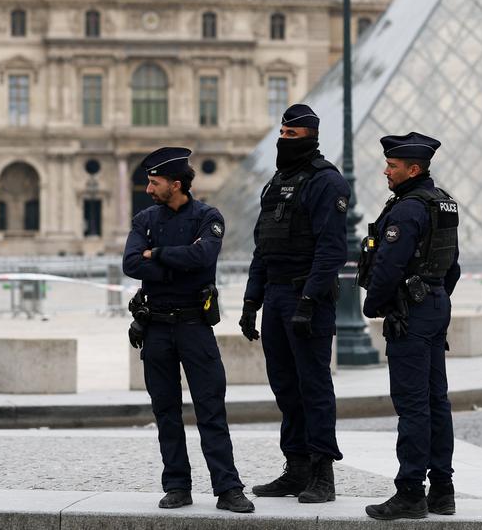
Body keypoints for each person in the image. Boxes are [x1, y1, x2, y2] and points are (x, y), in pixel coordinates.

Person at [123, 147, 254, 513]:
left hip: (195, 325)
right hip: (156, 326)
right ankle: (177, 486)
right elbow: (131, 263)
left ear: (176, 184)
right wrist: (178, 262)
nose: (148, 189)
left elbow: (203, 258)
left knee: (211, 410)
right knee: (165, 412)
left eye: (155, 182)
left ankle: (228, 488)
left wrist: (156, 254)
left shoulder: (208, 216)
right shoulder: (145, 219)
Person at [239, 104, 349, 503]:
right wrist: (251, 300)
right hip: (275, 296)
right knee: (285, 386)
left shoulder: (326, 181)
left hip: (307, 297)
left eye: (292, 136)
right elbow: (263, 247)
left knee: (313, 387)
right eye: (282, 134)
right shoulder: (276, 182)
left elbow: (331, 250)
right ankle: (296, 466)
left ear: (310, 138)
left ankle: (322, 473)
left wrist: (308, 300)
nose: (283, 141)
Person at [360, 132, 461, 521]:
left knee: (413, 405)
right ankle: (443, 491)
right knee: (437, 401)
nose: (386, 171)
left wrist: (375, 304)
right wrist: (434, 295)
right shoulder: (443, 203)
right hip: (435, 304)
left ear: (413, 169)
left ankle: (410, 493)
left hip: (411, 313)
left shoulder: (407, 210)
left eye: (393, 166)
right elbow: (452, 266)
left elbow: (388, 267)